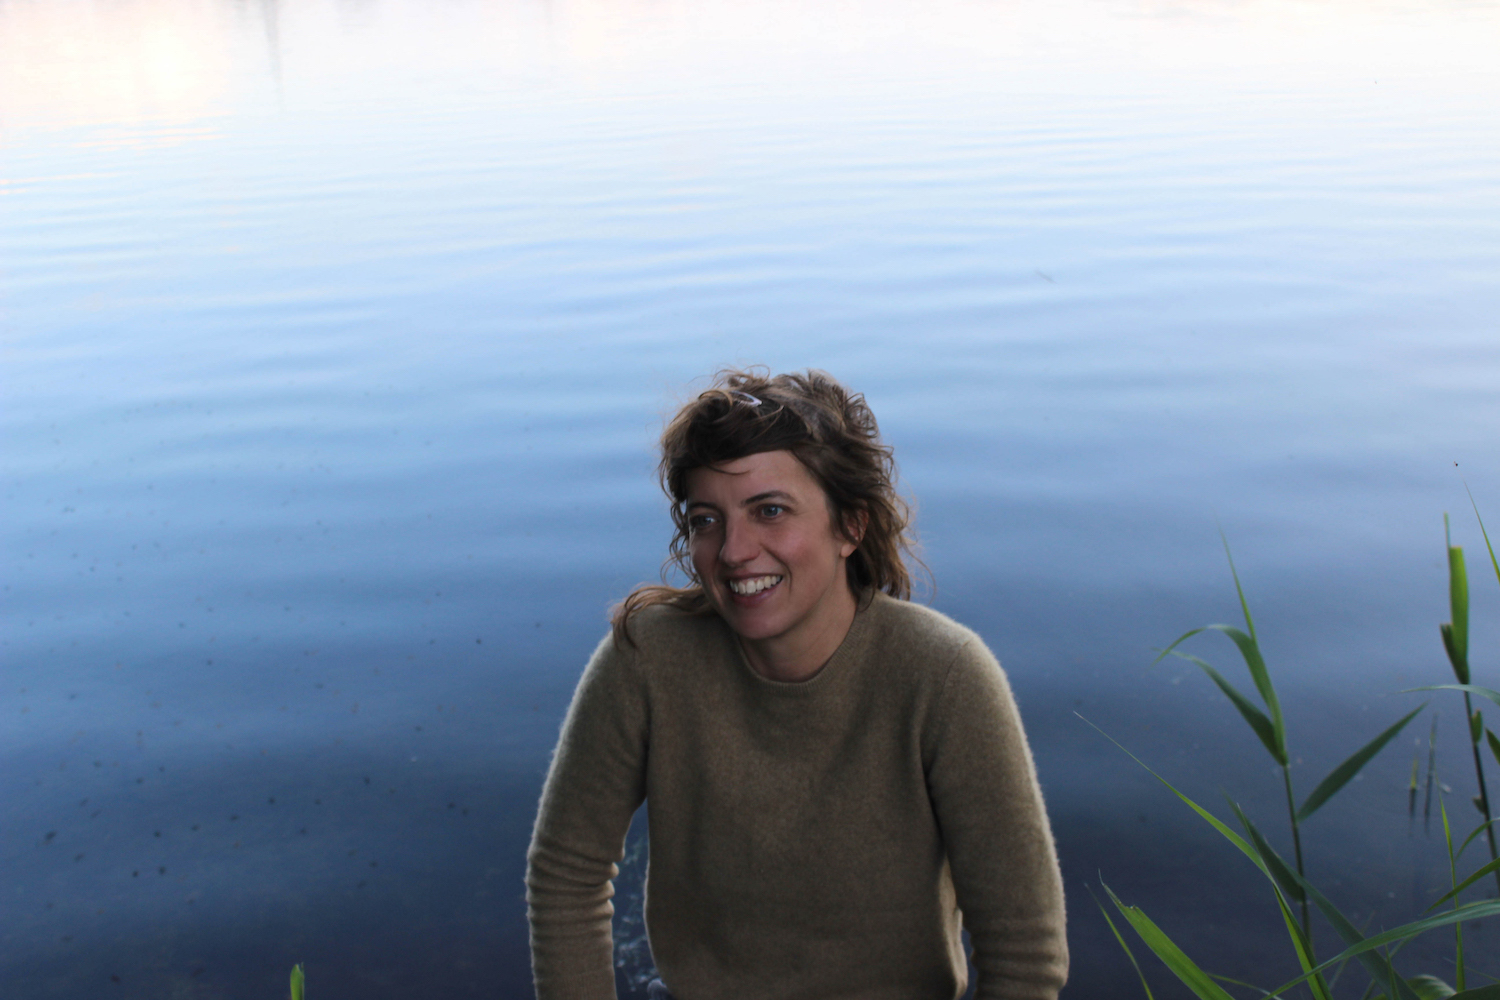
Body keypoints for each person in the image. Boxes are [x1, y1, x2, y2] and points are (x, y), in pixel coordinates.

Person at [526, 369, 1068, 1000]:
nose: (732, 551)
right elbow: (567, 874)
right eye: (706, 520)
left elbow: (1024, 952)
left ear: (850, 527)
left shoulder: (942, 678)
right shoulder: (648, 658)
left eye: (771, 511)